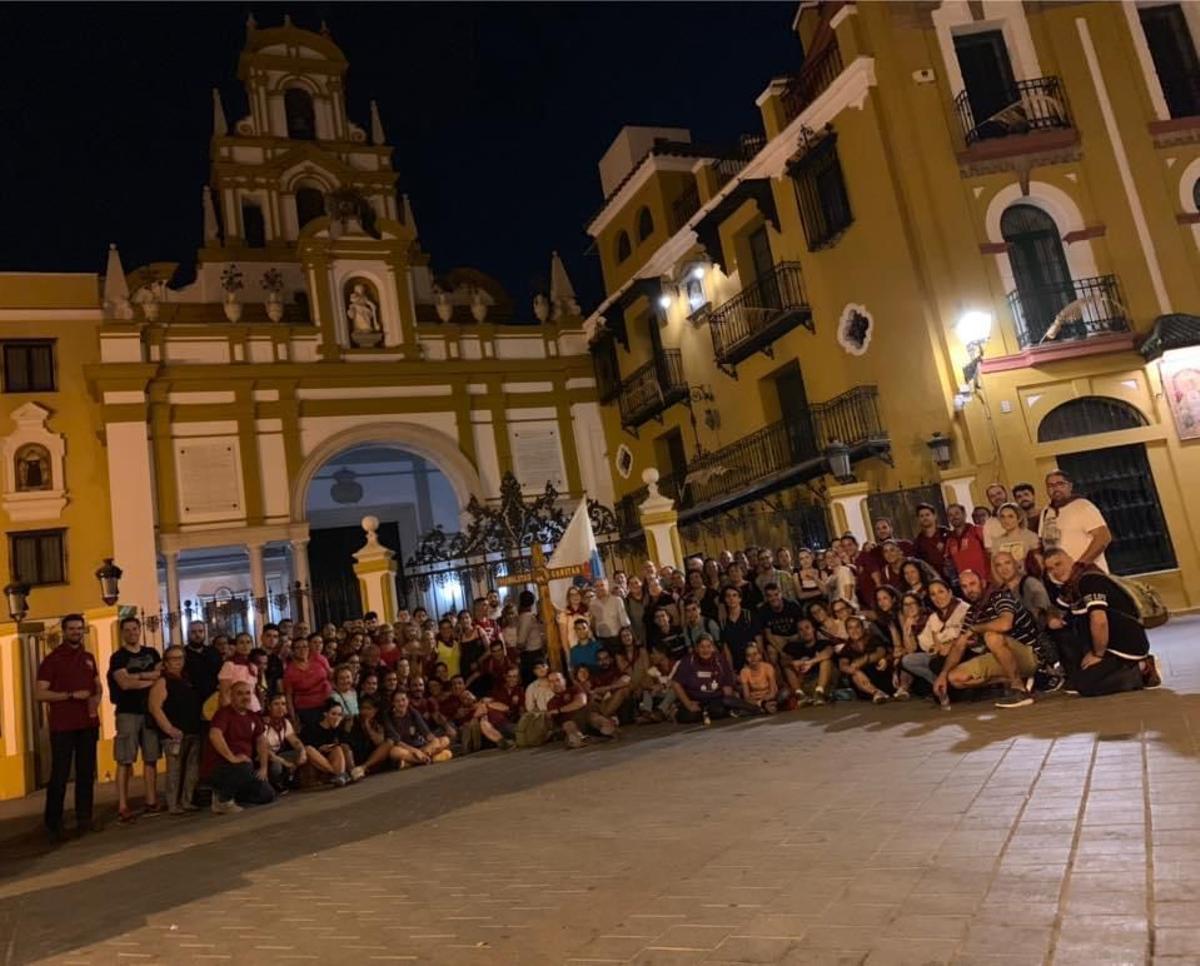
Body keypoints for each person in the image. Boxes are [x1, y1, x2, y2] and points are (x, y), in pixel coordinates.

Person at [1043, 548, 1159, 696]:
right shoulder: (1071, 587)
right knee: (1078, 678)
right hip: (1108, 647)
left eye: (1058, 564)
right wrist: (1052, 618)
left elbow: (1099, 621)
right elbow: (1055, 608)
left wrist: (1098, 655)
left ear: (1070, 560)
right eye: (1050, 569)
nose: (1055, 571)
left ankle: (1141, 668)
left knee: (1086, 686)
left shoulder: (1089, 580)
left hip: (1124, 648)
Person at [36, 614, 102, 842]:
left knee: (86, 773)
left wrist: (97, 696)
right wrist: (70, 696)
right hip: (63, 726)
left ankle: (85, 818)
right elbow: (39, 693)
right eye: (72, 628)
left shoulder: (88, 657)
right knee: (60, 775)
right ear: (64, 631)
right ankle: (53, 823)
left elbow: (96, 685)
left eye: (79, 628)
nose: (76, 632)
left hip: (88, 724)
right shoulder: (52, 660)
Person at [933, 570, 1041, 710]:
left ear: (983, 583)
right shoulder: (972, 613)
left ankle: (1019, 690)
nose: (969, 590)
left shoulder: (1000, 597)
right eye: (964, 587)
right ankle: (1021, 680)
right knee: (955, 678)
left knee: (992, 636)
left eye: (972, 584)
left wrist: (975, 629)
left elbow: (1005, 624)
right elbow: (959, 645)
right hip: (1002, 656)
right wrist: (943, 674)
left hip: (1029, 652)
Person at [107, 616, 163, 822]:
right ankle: (123, 804)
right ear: (122, 633)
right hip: (127, 713)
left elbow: (161, 676)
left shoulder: (152, 653)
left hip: (149, 712)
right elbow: (124, 684)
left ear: (140, 630)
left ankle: (151, 800)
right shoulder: (118, 658)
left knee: (151, 758)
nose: (132, 633)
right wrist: (148, 677)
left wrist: (136, 676)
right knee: (125, 760)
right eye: (127, 630)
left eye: (135, 629)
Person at [201, 681, 275, 814]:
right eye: (239, 694)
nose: (245, 697)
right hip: (220, 767)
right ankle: (222, 801)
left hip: (244, 768)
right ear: (231, 696)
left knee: (267, 794)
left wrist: (264, 768)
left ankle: (231, 794)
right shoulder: (223, 714)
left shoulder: (253, 716)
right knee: (244, 766)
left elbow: (261, 741)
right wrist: (232, 758)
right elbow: (215, 735)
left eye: (248, 693)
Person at [147, 646, 203, 814]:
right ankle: (173, 804)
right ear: (165, 663)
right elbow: (155, 707)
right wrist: (169, 729)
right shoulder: (162, 682)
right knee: (175, 770)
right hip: (174, 735)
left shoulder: (187, 679)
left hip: (192, 730)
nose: (178, 661)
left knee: (192, 769)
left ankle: (186, 801)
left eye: (180, 658)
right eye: (173, 658)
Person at [901, 579, 968, 709]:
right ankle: (940, 685)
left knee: (936, 662)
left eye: (941, 592)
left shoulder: (963, 609)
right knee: (909, 660)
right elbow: (923, 647)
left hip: (961, 653)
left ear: (949, 592)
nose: (937, 597)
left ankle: (949, 688)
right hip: (940, 655)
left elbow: (966, 636)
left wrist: (947, 645)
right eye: (933, 594)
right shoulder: (934, 617)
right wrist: (906, 629)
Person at [1040, 471, 1112, 573]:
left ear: (1070, 486)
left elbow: (1103, 538)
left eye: (1060, 484)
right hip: (1060, 578)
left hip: (1087, 574)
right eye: (1050, 485)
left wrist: (1080, 565)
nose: (1055, 488)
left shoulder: (1083, 506)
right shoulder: (1046, 512)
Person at [672, 634, 746, 723]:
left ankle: (706, 712)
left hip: (714, 699)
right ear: (696, 648)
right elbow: (676, 683)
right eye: (702, 647)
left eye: (708, 646)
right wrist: (688, 704)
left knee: (719, 711)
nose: (705, 650)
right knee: (688, 716)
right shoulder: (688, 661)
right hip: (695, 700)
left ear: (713, 647)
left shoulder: (720, 660)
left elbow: (727, 686)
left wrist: (727, 697)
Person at [545, 671, 617, 748]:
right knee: (569, 725)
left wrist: (559, 710)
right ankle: (581, 739)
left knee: (595, 718)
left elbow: (581, 702)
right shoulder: (551, 703)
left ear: (564, 680)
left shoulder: (575, 689)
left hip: (587, 715)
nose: (555, 684)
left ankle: (608, 731)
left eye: (557, 680)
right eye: (551, 681)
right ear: (549, 684)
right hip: (571, 724)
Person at [300, 698, 362, 785]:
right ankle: (338, 774)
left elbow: (348, 744)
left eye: (340, 715)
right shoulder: (311, 728)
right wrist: (320, 749)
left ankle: (340, 775)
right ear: (325, 714)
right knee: (308, 749)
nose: (337, 717)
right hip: (317, 758)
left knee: (338, 748)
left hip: (332, 758)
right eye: (333, 714)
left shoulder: (338, 730)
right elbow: (304, 746)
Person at [284, 634, 332, 734]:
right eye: (298, 647)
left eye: (305, 646)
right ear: (293, 651)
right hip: (306, 709)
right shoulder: (290, 671)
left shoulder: (319, 659)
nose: (302, 650)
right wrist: (293, 717)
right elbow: (288, 695)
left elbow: (331, 676)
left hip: (327, 704)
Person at [839, 616, 892, 704]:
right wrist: (856, 671)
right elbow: (843, 666)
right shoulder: (846, 648)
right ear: (847, 631)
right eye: (850, 628)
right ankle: (876, 693)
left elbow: (880, 653)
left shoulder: (873, 639)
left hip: (879, 674)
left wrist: (863, 660)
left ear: (863, 628)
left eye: (857, 627)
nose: (854, 630)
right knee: (854, 675)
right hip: (864, 683)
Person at [263, 693, 307, 792]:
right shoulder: (263, 724)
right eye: (276, 704)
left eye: (283, 704)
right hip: (265, 758)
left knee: (302, 753)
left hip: (278, 754)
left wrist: (302, 751)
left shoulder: (285, 722)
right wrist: (285, 763)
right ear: (269, 707)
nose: (280, 707)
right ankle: (276, 784)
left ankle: (291, 780)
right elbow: (265, 751)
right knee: (276, 764)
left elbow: (295, 741)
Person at [719, 584, 760, 673]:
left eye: (734, 595)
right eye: (728, 596)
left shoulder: (749, 615)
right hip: (737, 663)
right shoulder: (723, 622)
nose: (731, 598)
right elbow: (726, 648)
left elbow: (759, 640)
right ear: (725, 600)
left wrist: (759, 662)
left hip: (753, 660)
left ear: (740, 599)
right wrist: (731, 670)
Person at [945, 503, 988, 585]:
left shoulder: (978, 531)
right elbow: (950, 565)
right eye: (950, 515)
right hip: (966, 586)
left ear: (964, 514)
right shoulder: (949, 541)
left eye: (957, 513)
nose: (954, 517)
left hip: (985, 582)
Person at [218, 632, 261, 714]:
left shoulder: (253, 667)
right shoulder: (230, 665)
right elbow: (224, 693)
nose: (245, 646)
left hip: (253, 707)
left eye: (248, 642)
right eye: (241, 642)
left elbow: (253, 691)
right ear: (236, 646)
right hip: (236, 708)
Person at [183, 621, 222, 706]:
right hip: (192, 699)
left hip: (214, 697)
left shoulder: (213, 652)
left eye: (200, 631)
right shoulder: (183, 654)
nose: (197, 635)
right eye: (193, 632)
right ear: (188, 634)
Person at [588, 648, 632, 721]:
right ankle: (606, 718)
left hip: (616, 701)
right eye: (600, 659)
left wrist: (607, 688)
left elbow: (627, 681)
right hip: (602, 702)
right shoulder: (595, 676)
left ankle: (604, 716)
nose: (603, 662)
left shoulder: (616, 671)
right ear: (597, 662)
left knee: (623, 690)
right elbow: (592, 692)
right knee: (593, 698)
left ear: (611, 659)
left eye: (606, 658)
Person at [588, 578, 630, 650]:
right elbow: (592, 623)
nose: (599, 588)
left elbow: (625, 622)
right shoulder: (592, 604)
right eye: (597, 586)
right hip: (601, 641)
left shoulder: (617, 600)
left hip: (617, 639)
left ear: (607, 586)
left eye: (602, 585)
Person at [738, 643, 780, 713]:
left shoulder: (768, 667)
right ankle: (765, 708)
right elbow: (747, 697)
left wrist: (765, 700)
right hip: (756, 701)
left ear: (760, 655)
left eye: (755, 654)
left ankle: (763, 709)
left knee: (785, 693)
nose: (752, 658)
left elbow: (773, 692)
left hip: (770, 697)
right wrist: (761, 703)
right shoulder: (744, 672)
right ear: (746, 658)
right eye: (749, 655)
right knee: (742, 703)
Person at [515, 590, 546, 684]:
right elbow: (521, 641)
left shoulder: (527, 617)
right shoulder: (528, 617)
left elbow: (520, 642)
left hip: (532, 655)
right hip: (532, 654)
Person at [913, 503, 952, 579]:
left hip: (954, 577)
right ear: (918, 519)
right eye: (921, 516)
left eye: (927, 515)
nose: (925, 518)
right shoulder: (918, 542)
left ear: (934, 516)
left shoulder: (947, 533)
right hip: (934, 580)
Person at [980, 483, 1010, 550]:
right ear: (989, 500)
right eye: (992, 496)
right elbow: (990, 550)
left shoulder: (1022, 513)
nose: (997, 497)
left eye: (999, 493)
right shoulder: (989, 525)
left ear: (1005, 493)